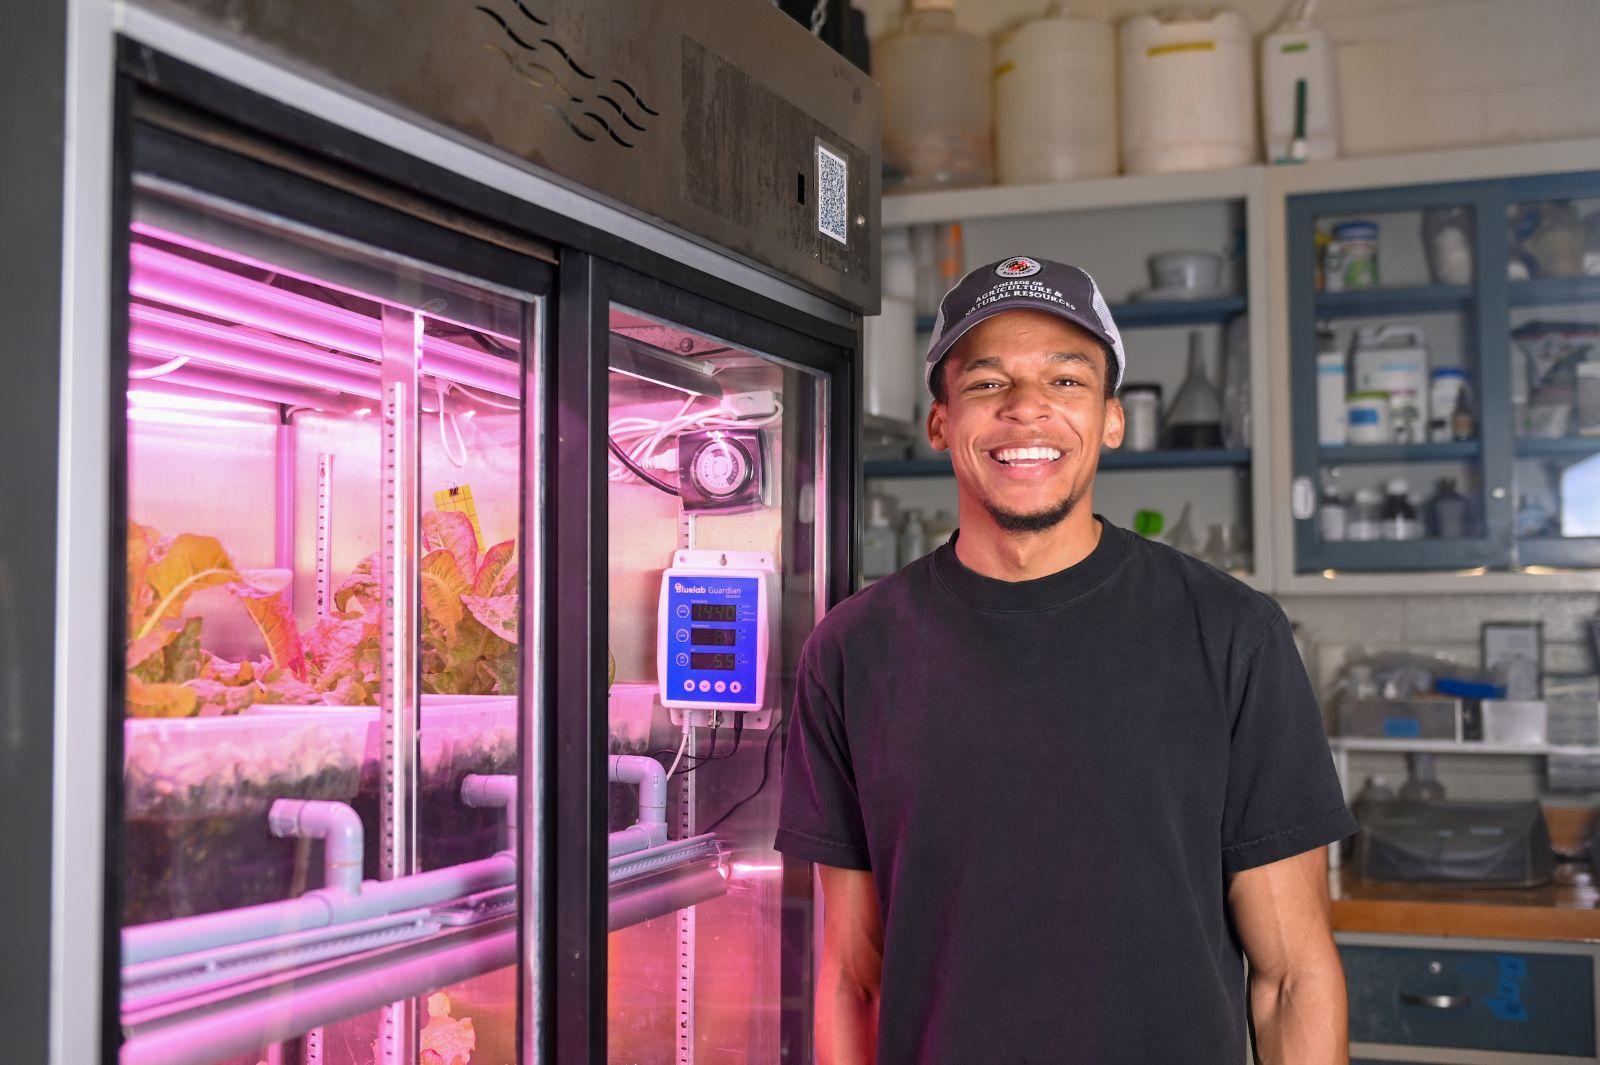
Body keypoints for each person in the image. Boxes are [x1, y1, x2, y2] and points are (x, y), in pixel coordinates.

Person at [775, 256, 1358, 1065]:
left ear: (1111, 419)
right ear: (940, 422)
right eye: (986, 383)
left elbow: (1292, 976)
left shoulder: (1231, 633)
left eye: (1065, 381)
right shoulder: (851, 650)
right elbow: (852, 978)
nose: (1027, 410)